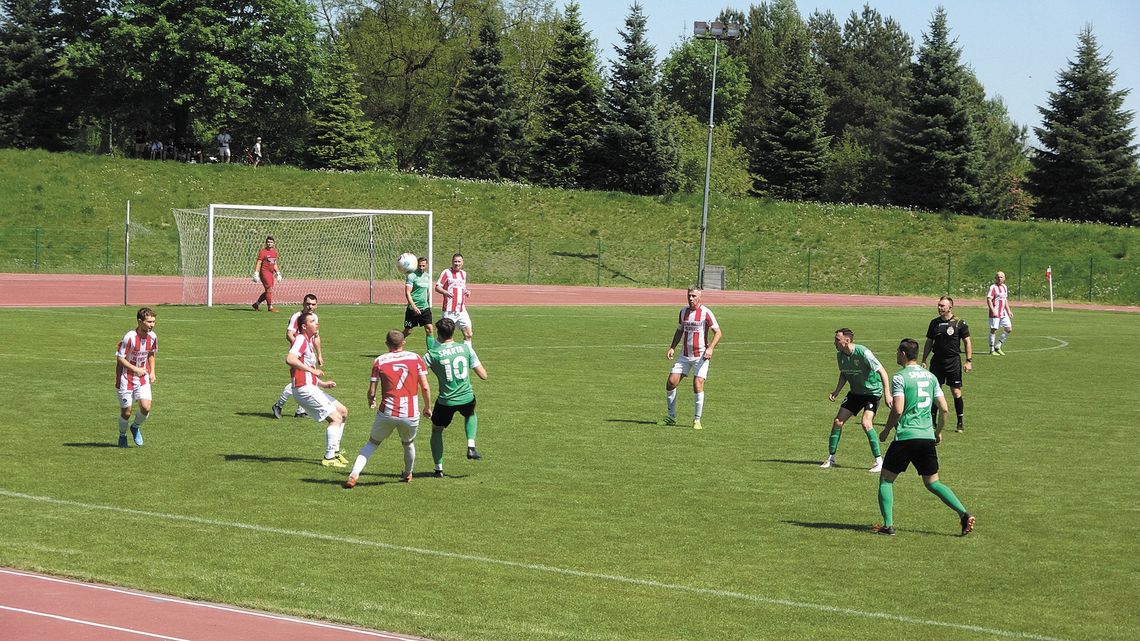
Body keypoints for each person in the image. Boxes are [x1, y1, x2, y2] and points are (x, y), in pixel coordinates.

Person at [874, 338, 975, 536]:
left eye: (897, 352)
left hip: (906, 437)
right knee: (933, 483)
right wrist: (937, 433)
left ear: (903, 354)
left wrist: (886, 431)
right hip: (926, 436)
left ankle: (888, 525)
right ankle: (963, 513)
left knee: (886, 480)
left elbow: (898, 409)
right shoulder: (930, 377)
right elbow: (944, 409)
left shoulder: (899, 377)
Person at [344, 331, 432, 487]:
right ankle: (408, 473)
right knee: (408, 443)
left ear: (386, 344)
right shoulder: (415, 358)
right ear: (403, 342)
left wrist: (371, 400)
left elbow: (372, 391)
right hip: (410, 413)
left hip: (387, 411)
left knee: (371, 444)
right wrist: (427, 407)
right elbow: (425, 387)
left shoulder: (380, 361)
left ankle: (354, 474)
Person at [424, 318, 488, 475]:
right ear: (453, 332)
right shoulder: (466, 349)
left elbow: (419, 371)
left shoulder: (432, 354)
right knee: (471, 413)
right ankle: (471, 446)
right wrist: (468, 340)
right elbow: (483, 375)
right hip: (467, 397)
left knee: (437, 430)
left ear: (439, 334)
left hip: (446, 400)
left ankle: (438, 469)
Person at [286, 311, 350, 467]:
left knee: (343, 411)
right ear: (304, 326)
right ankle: (329, 458)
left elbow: (306, 370)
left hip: (310, 386)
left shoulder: (308, 341)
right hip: (303, 389)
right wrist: (312, 370)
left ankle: (335, 452)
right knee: (335, 418)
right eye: (312, 321)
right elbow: (290, 359)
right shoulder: (301, 339)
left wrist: (322, 383)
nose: (317, 323)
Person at [821, 328, 889, 472]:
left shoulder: (864, 353)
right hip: (855, 393)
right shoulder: (840, 355)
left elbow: (882, 371)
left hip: (872, 393)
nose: (835, 342)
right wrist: (837, 391)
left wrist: (887, 394)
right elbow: (844, 374)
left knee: (866, 423)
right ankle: (831, 458)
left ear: (847, 340)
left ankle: (879, 461)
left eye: (837, 340)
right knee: (838, 422)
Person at [663, 286, 722, 430]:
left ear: (699, 297)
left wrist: (710, 348)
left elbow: (718, 333)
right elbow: (679, 330)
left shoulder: (706, 313)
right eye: (689, 296)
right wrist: (672, 347)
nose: (691, 298)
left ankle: (697, 420)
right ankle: (671, 417)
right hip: (684, 355)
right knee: (671, 383)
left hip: (701, 356)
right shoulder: (683, 312)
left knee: (697, 384)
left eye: (694, 296)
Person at [921, 296, 973, 433]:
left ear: (950, 307)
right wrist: (924, 360)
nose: (939, 308)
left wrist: (968, 361)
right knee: (934, 392)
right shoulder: (934, 323)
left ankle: (960, 421)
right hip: (937, 362)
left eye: (942, 306)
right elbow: (928, 343)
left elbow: (967, 342)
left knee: (955, 392)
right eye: (938, 305)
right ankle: (932, 421)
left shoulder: (959, 323)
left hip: (953, 362)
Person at [273, 293, 321, 419]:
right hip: (300, 355)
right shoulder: (297, 317)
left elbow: (316, 337)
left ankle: (300, 410)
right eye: (308, 304)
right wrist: (299, 346)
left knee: (308, 381)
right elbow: (289, 334)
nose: (310, 306)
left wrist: (320, 354)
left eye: (313, 304)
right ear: (303, 303)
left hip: (309, 353)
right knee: (299, 381)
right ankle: (279, 405)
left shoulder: (314, 317)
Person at [115, 308, 157, 448]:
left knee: (146, 407)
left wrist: (152, 372)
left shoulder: (153, 337)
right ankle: (122, 436)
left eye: (154, 322)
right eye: (149, 322)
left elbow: (151, 354)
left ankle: (135, 427)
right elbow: (120, 358)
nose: (152, 325)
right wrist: (135, 369)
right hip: (126, 378)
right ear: (140, 321)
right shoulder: (130, 337)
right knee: (126, 412)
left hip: (142, 378)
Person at [435, 253, 472, 342]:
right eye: (455, 261)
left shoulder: (463, 274)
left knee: (468, 334)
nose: (457, 263)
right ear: (452, 262)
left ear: (462, 262)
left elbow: (462, 287)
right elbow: (437, 287)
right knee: (444, 336)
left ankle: (469, 354)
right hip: (449, 310)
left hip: (461, 310)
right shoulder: (446, 272)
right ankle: (435, 352)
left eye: (459, 261)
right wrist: (445, 292)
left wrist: (467, 291)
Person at [403, 256, 434, 345]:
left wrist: (427, 302)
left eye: (423, 266)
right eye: (420, 266)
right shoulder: (411, 276)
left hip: (425, 307)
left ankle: (431, 353)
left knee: (429, 329)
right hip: (413, 309)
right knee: (408, 331)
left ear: (426, 265)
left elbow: (427, 291)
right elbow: (408, 293)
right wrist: (413, 306)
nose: (421, 268)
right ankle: (394, 343)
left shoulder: (427, 276)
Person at [252, 236, 281, 312]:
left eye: (271, 242)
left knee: (268, 291)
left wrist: (278, 272)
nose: (269, 243)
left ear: (273, 243)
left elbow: (274, 263)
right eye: (268, 242)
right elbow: (259, 262)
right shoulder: (263, 252)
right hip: (264, 272)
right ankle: (270, 307)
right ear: (266, 243)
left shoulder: (274, 252)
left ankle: (256, 304)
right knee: (269, 289)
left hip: (271, 273)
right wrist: (256, 272)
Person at [987, 271, 1013, 355]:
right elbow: (989, 299)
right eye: (998, 277)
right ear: (995, 278)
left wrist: (1008, 310)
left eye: (1001, 277)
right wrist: (992, 310)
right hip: (995, 313)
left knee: (1009, 329)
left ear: (1004, 278)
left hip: (1003, 313)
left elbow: (1005, 300)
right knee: (994, 329)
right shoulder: (993, 287)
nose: (999, 279)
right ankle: (991, 349)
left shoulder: (1004, 287)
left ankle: (998, 346)